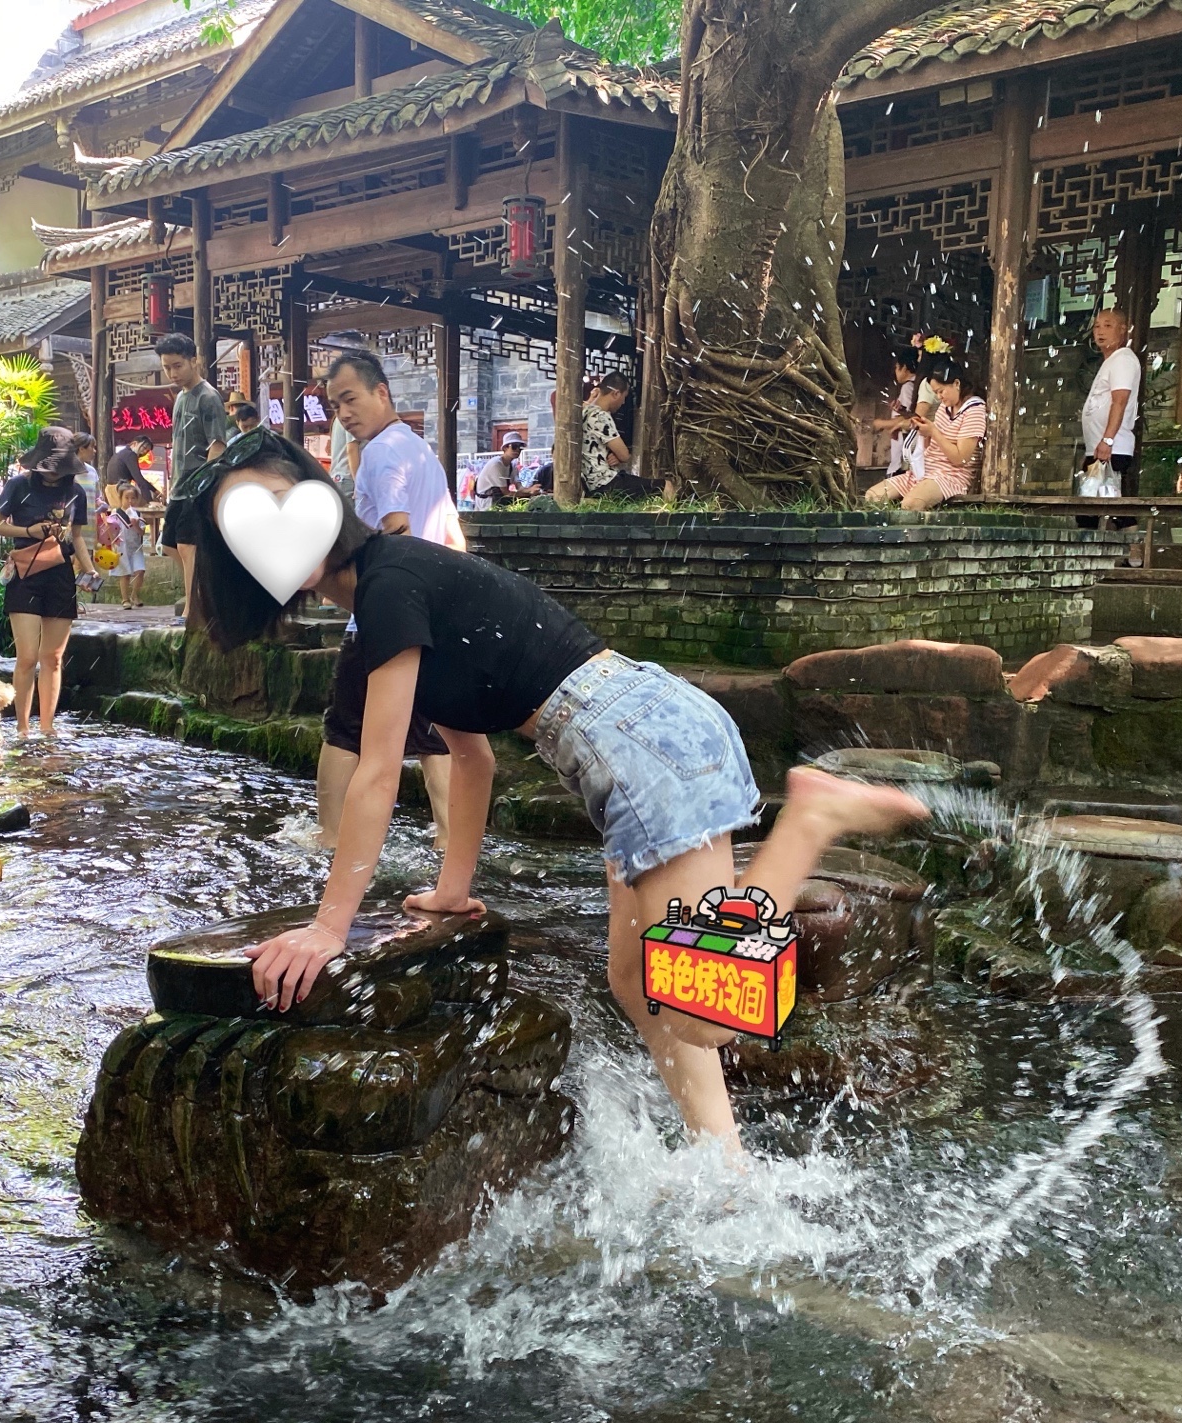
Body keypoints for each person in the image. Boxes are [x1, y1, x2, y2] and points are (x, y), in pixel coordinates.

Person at [185, 429, 927, 1146]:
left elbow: (378, 775)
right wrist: (452, 891)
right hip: (635, 738)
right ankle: (724, 1168)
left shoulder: (389, 586)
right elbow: (471, 760)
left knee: (704, 1011)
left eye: (275, 506)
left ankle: (809, 819)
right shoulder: (389, 592)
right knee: (633, 982)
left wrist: (328, 930)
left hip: (643, 745)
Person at [319, 348, 460, 849]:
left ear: (382, 392)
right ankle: (449, 838)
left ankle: (329, 837)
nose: (344, 413)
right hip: (433, 614)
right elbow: (454, 539)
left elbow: (397, 531)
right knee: (434, 734)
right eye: (335, 406)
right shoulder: (421, 451)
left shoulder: (380, 453)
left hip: (382, 617)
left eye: (350, 399)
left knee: (344, 729)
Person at [0, 426, 100, 740]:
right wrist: (29, 531)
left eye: (59, 468)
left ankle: (47, 728)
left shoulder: (76, 492)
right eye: (49, 468)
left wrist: (89, 570)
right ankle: (23, 729)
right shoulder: (18, 486)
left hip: (60, 575)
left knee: (53, 658)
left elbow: (76, 537)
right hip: (25, 574)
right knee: (27, 657)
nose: (53, 474)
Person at [153, 334, 231, 617]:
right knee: (169, 544)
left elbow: (218, 445)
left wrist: (205, 487)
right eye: (167, 367)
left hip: (198, 484)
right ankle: (203, 592)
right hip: (179, 486)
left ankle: (192, 608)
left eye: (177, 366)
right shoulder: (181, 398)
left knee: (187, 545)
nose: (172, 373)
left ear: (194, 361)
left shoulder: (208, 397)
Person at [862, 356, 985, 510]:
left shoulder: (974, 410)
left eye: (941, 391)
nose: (939, 397)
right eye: (936, 393)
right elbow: (930, 448)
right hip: (924, 471)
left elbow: (961, 459)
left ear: (956, 383)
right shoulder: (944, 407)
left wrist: (933, 431)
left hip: (951, 476)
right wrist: (924, 433)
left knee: (910, 504)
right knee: (872, 496)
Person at [1080, 309, 1145, 563]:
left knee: (1107, 503)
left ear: (1122, 329)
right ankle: (1105, 555)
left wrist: (1107, 439)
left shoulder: (1123, 359)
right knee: (1098, 503)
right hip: (1099, 447)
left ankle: (1132, 554)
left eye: (1108, 325)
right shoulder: (1110, 361)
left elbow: (1120, 400)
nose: (1100, 331)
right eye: (1097, 326)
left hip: (1111, 447)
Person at [867, 345, 932, 487]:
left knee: (897, 472)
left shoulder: (908, 387)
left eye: (897, 368)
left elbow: (909, 419)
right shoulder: (914, 385)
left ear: (904, 368)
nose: (895, 372)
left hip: (905, 443)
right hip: (906, 442)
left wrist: (881, 424)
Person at [103, 456, 152, 609]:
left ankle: (135, 595)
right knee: (124, 574)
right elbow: (110, 532)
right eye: (127, 498)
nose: (130, 501)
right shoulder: (115, 514)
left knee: (140, 571)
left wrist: (136, 525)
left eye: (133, 498)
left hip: (136, 547)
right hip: (122, 548)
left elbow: (142, 532)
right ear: (120, 498)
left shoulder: (137, 514)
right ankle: (125, 599)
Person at [581, 374, 632, 494]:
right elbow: (624, 455)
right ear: (616, 394)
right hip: (604, 482)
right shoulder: (601, 416)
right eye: (624, 397)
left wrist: (613, 454)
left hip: (589, 481)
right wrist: (619, 455)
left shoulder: (584, 411)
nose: (623, 402)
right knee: (665, 486)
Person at [474, 433, 525, 510]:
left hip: (496, 501)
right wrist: (527, 492)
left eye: (520, 447)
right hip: (487, 502)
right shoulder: (496, 464)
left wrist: (531, 490)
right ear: (505, 448)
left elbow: (519, 486)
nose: (518, 450)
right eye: (514, 446)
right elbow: (506, 493)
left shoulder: (512, 466)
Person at [72, 432, 102, 517]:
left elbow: (97, 497)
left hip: (90, 521)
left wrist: (100, 503)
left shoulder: (92, 471)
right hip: (72, 522)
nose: (95, 451)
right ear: (81, 448)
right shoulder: (66, 471)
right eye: (92, 447)